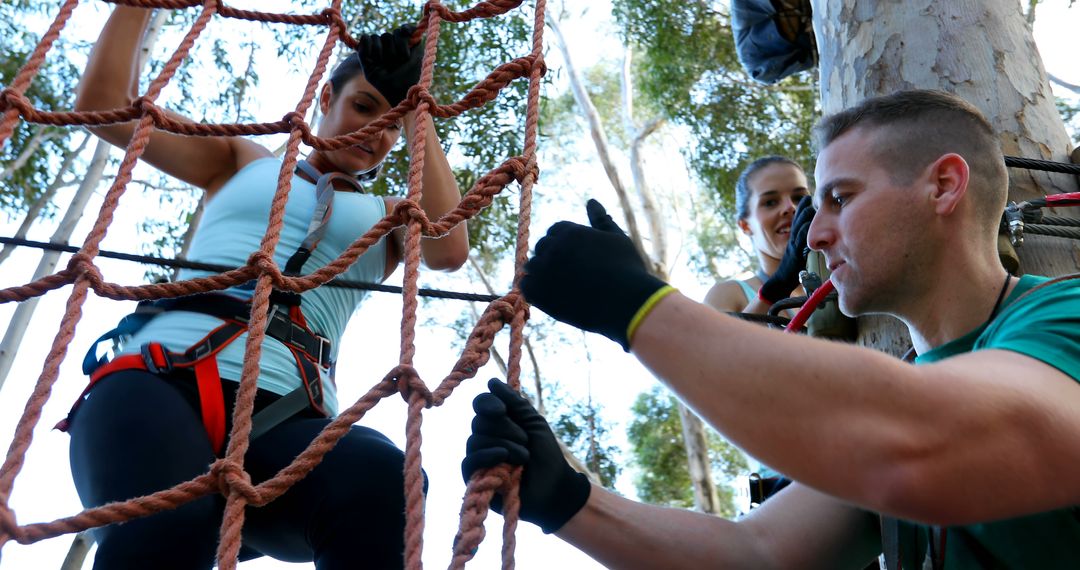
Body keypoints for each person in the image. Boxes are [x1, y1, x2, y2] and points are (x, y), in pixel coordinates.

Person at [465, 89, 1080, 568]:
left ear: (943, 186)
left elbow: (924, 442)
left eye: (839, 197)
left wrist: (637, 306)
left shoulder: (1064, 313)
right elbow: (759, 556)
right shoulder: (889, 417)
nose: (813, 233)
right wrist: (568, 501)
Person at [65, 6, 467, 569]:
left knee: (385, 484)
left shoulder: (390, 217)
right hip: (161, 380)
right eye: (363, 105)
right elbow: (102, 109)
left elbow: (450, 249)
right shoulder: (244, 160)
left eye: (392, 125)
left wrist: (419, 109)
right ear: (325, 100)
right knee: (169, 531)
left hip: (286, 420)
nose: (376, 129)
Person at [702, 156, 813, 505]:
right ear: (746, 225)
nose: (789, 209)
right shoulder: (731, 294)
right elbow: (718, 374)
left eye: (799, 197)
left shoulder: (844, 285)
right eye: (770, 202)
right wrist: (774, 290)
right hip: (787, 495)